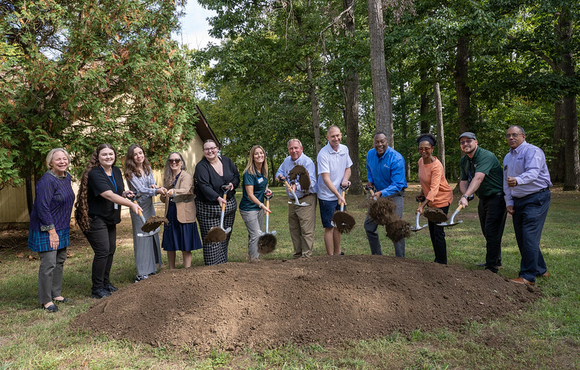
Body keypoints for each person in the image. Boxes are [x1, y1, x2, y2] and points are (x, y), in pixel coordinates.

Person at [75, 143, 142, 299]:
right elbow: (108, 195)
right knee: (102, 251)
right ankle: (96, 288)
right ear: (98, 157)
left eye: (111, 154)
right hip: (95, 218)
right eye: (104, 154)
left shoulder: (116, 171)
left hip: (110, 216)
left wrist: (125, 193)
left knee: (110, 250)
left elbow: (116, 191)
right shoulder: (95, 173)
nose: (108, 157)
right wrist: (131, 204)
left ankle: (105, 283)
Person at [503, 125, 552, 285]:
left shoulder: (533, 151)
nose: (511, 138)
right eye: (508, 135)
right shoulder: (507, 158)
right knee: (522, 237)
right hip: (518, 200)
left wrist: (518, 180)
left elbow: (533, 172)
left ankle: (527, 276)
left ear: (523, 136)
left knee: (529, 234)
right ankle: (541, 270)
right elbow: (506, 182)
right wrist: (509, 202)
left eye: (515, 135)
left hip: (536, 197)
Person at [28, 148, 75, 312]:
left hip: (61, 226)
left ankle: (56, 294)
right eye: (58, 159)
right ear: (50, 163)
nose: (62, 161)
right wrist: (51, 232)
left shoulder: (66, 177)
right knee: (48, 264)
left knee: (60, 261)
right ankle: (46, 300)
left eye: (65, 158)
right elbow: (42, 208)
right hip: (46, 227)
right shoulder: (47, 180)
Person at [458, 132, 507, 273]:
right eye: (462, 142)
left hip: (497, 197)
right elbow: (463, 181)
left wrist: (467, 195)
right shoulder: (465, 160)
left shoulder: (486, 156)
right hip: (484, 198)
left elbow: (478, 178)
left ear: (476, 142)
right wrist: (465, 194)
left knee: (492, 232)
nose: (465, 144)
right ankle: (496, 260)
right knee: (487, 231)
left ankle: (491, 268)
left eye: (468, 141)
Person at [194, 140, 240, 265]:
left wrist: (232, 184)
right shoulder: (201, 166)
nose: (210, 151)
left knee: (224, 238)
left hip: (228, 207)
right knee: (212, 240)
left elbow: (236, 176)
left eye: (212, 148)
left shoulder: (226, 161)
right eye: (207, 149)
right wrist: (217, 197)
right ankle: (212, 268)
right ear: (204, 151)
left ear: (217, 148)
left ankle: (223, 265)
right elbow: (204, 186)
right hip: (209, 209)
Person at [124, 144, 166, 281]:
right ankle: (142, 273)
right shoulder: (130, 172)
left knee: (152, 234)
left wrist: (154, 186)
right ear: (131, 157)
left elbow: (152, 183)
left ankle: (152, 268)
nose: (139, 156)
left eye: (140, 153)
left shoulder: (147, 168)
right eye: (135, 154)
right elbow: (140, 190)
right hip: (138, 207)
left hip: (149, 205)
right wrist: (155, 190)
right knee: (142, 236)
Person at [364, 132, 408, 257]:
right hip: (378, 193)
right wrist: (371, 182)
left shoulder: (396, 158)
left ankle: (400, 259)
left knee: (395, 227)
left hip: (395, 195)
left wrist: (382, 192)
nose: (380, 144)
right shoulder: (370, 154)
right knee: (369, 225)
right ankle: (377, 256)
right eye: (377, 142)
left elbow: (398, 184)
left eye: (382, 141)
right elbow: (369, 169)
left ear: (387, 142)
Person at [276, 139, 318, 258]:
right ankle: (297, 255)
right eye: (291, 148)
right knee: (294, 229)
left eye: (296, 148)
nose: (293, 151)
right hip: (292, 201)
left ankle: (306, 256)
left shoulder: (307, 162)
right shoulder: (286, 161)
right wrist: (279, 176)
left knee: (306, 229)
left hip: (306, 198)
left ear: (301, 149)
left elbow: (313, 183)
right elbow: (279, 172)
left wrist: (297, 186)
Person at [160, 152, 202, 269]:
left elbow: (184, 190)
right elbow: (163, 199)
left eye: (177, 160)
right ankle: (171, 269)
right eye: (171, 160)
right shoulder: (168, 178)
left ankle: (186, 270)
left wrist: (172, 191)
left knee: (186, 245)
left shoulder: (186, 176)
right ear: (168, 163)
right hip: (171, 213)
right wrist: (162, 192)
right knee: (170, 244)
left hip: (184, 214)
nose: (174, 162)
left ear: (181, 163)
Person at [415, 134, 453, 264]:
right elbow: (425, 182)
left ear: (432, 149)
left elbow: (434, 189)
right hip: (430, 199)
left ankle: (442, 262)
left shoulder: (437, 166)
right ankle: (437, 259)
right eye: (421, 149)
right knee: (432, 230)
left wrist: (422, 206)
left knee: (438, 231)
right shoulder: (420, 162)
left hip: (442, 199)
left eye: (426, 148)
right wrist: (421, 193)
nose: (423, 151)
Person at [317, 125, 352, 256]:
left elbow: (348, 168)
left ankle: (338, 254)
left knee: (339, 224)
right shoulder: (323, 154)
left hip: (339, 193)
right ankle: (330, 256)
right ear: (327, 137)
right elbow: (325, 178)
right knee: (329, 226)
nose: (336, 138)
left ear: (341, 135)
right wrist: (338, 195)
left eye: (338, 135)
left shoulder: (344, 149)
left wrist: (345, 180)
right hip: (327, 195)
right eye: (332, 136)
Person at [239, 145, 272, 262]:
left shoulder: (263, 170)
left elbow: (263, 186)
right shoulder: (249, 173)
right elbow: (250, 194)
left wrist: (267, 191)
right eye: (256, 153)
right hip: (249, 208)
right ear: (252, 157)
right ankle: (254, 260)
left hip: (258, 208)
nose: (259, 155)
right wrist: (262, 205)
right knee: (256, 235)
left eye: (261, 153)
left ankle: (252, 258)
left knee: (254, 235)